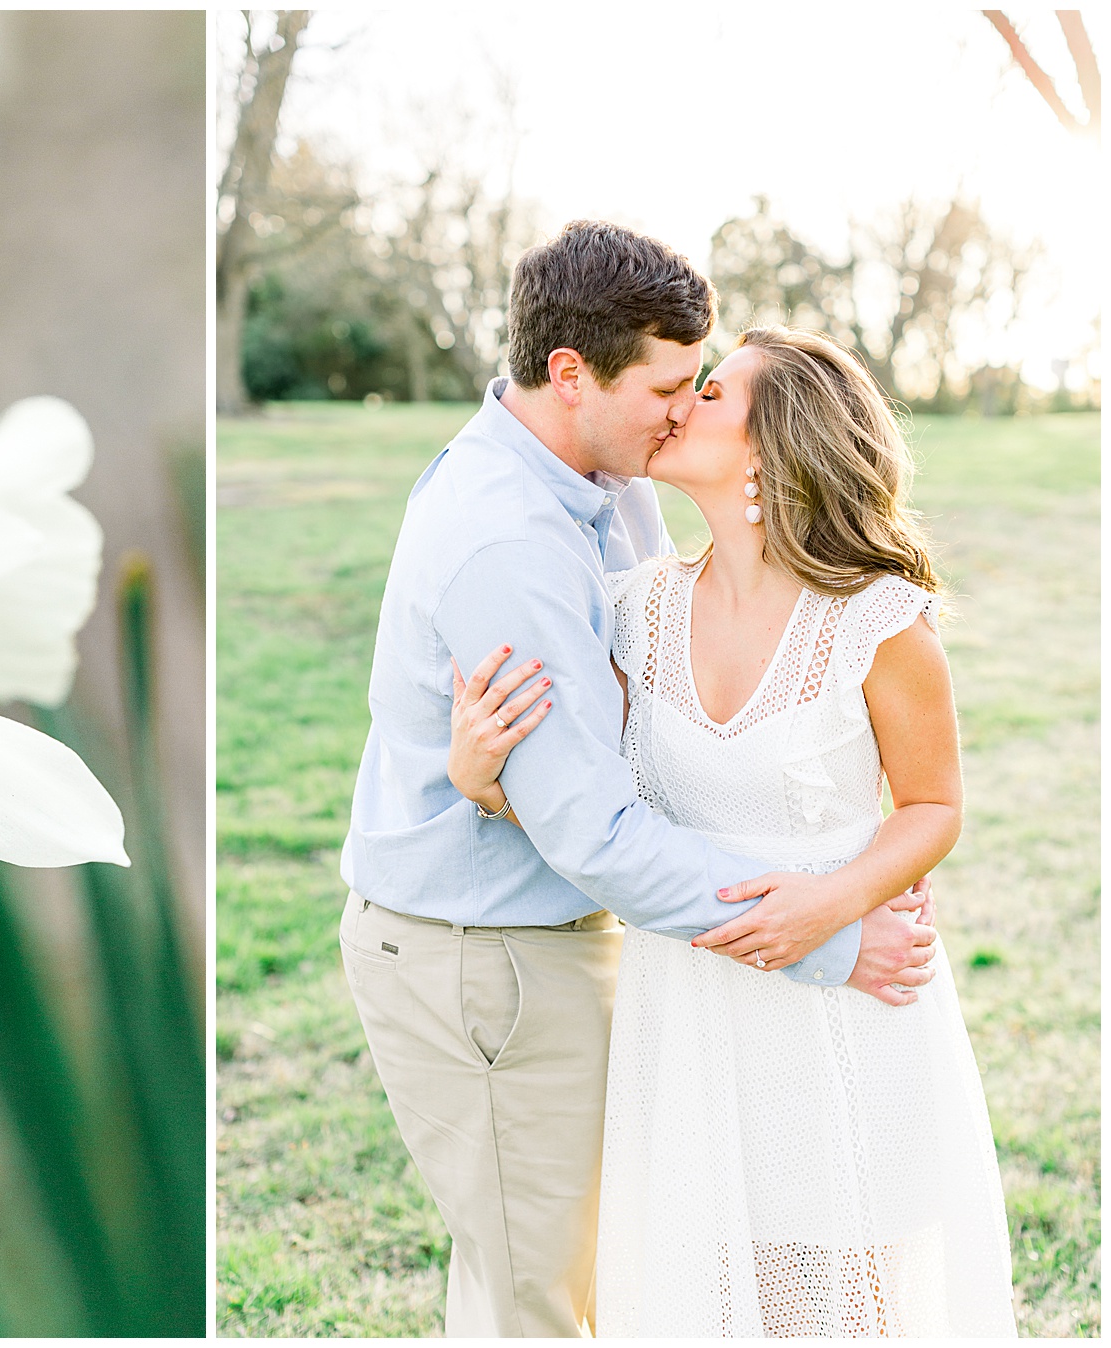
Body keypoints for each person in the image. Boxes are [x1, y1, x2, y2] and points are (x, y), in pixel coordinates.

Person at [338, 221, 938, 1338]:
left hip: (626, 947)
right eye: (670, 386)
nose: (683, 406)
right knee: (544, 1295)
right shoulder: (508, 536)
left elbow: (636, 711)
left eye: (703, 387)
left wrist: (858, 863)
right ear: (572, 373)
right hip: (487, 960)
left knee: (610, 1271)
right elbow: (597, 828)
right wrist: (835, 934)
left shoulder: (608, 477)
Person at [448, 324, 1015, 1336]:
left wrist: (830, 910)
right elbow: (594, 805)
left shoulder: (879, 622)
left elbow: (934, 807)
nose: (677, 404)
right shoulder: (633, 612)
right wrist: (481, 778)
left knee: (844, 1295)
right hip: (694, 1001)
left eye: (710, 394)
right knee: (730, 1283)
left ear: (768, 446)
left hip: (846, 999)